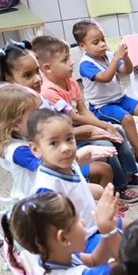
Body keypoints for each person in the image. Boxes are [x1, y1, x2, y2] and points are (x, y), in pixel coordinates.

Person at [32, 34, 138, 203]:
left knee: (118, 131)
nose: (72, 62)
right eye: (65, 60)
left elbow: (82, 109)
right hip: (68, 136)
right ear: (48, 68)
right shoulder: (49, 91)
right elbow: (73, 117)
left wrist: (104, 126)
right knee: (107, 143)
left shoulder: (69, 79)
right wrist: (102, 126)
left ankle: (130, 175)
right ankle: (119, 186)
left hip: (79, 128)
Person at [0, 41, 116, 196]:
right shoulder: (17, 149)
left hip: (58, 181)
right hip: (46, 200)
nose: (38, 79)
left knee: (102, 171)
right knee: (99, 181)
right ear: (12, 123)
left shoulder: (35, 100)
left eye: (37, 71)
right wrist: (85, 151)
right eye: (27, 75)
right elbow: (52, 169)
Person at [1, 187, 120, 275]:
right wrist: (109, 229)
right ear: (63, 238)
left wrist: (106, 234)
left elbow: (94, 261)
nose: (84, 222)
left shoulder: (47, 256)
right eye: (77, 220)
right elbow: (133, 266)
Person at [73, 19, 138, 169]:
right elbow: (105, 78)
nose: (102, 44)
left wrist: (125, 58)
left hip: (120, 98)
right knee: (127, 119)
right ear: (82, 46)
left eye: (103, 39)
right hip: (102, 106)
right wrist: (117, 58)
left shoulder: (109, 55)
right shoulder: (86, 64)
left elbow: (127, 70)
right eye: (96, 42)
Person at [28, 109, 127, 254]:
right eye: (54, 143)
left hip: (95, 224)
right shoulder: (47, 188)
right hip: (83, 242)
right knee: (133, 251)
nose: (66, 148)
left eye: (69, 139)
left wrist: (98, 207)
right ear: (36, 149)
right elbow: (54, 235)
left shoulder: (68, 164)